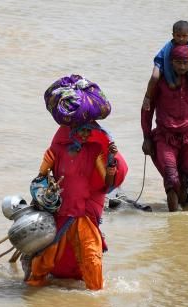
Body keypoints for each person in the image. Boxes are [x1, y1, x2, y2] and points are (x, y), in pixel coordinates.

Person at [25, 122, 128, 290]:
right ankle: (32, 291)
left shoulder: (94, 151)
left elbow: (106, 185)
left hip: (82, 215)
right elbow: (38, 181)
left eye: (89, 130)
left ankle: (95, 298)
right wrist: (44, 168)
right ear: (72, 131)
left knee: (92, 256)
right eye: (83, 130)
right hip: (60, 214)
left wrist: (111, 163)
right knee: (45, 259)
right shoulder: (56, 151)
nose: (87, 134)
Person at [141, 44, 188, 212]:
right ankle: (174, 221)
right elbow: (146, 110)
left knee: (185, 178)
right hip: (166, 138)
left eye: (185, 63)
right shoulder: (161, 83)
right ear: (171, 62)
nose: (181, 66)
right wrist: (146, 137)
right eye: (178, 62)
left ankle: (181, 222)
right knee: (172, 179)